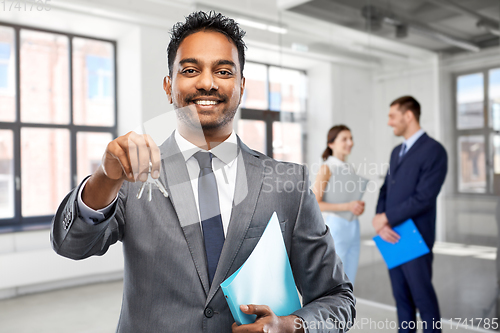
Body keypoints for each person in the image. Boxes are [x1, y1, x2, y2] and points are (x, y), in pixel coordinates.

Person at [50, 11, 355, 333]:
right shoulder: (130, 175)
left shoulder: (287, 182)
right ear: (169, 86)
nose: (207, 83)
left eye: (223, 71)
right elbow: (72, 246)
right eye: (191, 70)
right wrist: (105, 177)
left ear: (241, 86)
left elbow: (337, 298)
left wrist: (295, 325)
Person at [373, 96, 447, 333]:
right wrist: (380, 219)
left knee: (423, 298)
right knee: (401, 299)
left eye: (392, 116)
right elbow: (386, 189)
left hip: (416, 236)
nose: (389, 122)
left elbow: (424, 198)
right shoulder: (397, 152)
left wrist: (386, 217)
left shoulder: (434, 151)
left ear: (409, 116)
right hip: (391, 235)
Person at [312, 125, 364, 284]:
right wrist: (348, 206)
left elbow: (349, 201)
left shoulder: (349, 167)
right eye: (344, 139)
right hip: (337, 227)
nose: (350, 142)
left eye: (351, 138)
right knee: (337, 280)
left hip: (353, 226)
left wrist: (356, 207)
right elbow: (316, 203)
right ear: (331, 144)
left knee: (350, 280)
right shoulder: (327, 167)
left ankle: (348, 309)